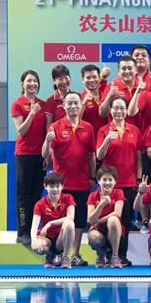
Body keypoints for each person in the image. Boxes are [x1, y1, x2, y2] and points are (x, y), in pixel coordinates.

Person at [42, 91, 96, 266]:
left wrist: (92, 177)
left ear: (81, 105)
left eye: (76, 103)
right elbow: (45, 154)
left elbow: (91, 155)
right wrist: (47, 141)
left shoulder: (88, 127)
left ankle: (75, 254)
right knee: (63, 221)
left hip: (82, 183)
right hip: (61, 186)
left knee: (79, 221)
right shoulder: (55, 127)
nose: (73, 106)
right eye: (69, 103)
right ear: (63, 106)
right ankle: (58, 254)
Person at [96, 96, 143, 265]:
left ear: (127, 110)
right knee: (110, 220)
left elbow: (139, 158)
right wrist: (107, 139)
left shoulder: (135, 130)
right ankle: (108, 252)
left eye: (122, 108)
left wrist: (138, 179)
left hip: (129, 183)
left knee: (125, 221)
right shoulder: (103, 131)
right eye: (115, 108)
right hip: (109, 186)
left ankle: (121, 255)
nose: (119, 111)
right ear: (110, 110)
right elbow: (99, 156)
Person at [11, 70, 46, 245]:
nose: (32, 84)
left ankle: (33, 231)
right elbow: (21, 131)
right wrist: (32, 113)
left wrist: (47, 155)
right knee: (23, 195)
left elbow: (46, 131)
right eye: (29, 81)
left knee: (36, 194)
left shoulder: (43, 104)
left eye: (35, 81)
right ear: (22, 84)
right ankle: (22, 232)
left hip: (40, 155)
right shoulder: (17, 104)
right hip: (24, 155)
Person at [30, 172, 75, 269]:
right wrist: (34, 240)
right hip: (47, 240)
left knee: (69, 223)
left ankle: (65, 257)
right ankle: (50, 256)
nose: (55, 189)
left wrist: (50, 223)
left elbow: (71, 217)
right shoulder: (39, 204)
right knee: (35, 246)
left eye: (57, 186)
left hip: (61, 239)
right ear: (45, 187)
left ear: (62, 186)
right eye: (51, 186)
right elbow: (34, 226)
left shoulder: (68, 198)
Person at [87, 166, 125, 268]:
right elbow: (90, 220)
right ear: (98, 181)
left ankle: (115, 256)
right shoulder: (92, 196)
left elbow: (117, 213)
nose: (107, 183)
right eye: (104, 179)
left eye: (110, 180)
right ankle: (100, 254)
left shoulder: (119, 193)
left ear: (115, 182)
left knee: (113, 219)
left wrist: (99, 221)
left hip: (114, 230)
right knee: (93, 237)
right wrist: (101, 204)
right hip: (98, 231)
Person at [99, 56, 144, 127]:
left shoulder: (142, 87)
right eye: (123, 68)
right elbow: (102, 114)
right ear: (118, 72)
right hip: (116, 132)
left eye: (130, 68)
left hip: (137, 132)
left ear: (136, 70)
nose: (127, 71)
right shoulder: (112, 87)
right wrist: (110, 95)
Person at [80, 64, 108, 137]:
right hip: (88, 139)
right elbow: (74, 121)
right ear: (83, 80)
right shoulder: (79, 98)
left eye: (94, 77)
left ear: (99, 78)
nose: (92, 80)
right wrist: (83, 104)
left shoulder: (105, 95)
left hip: (106, 138)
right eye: (88, 77)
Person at [44, 64, 71, 130]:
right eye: (60, 79)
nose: (64, 81)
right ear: (54, 81)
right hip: (57, 136)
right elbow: (49, 126)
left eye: (66, 78)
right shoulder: (50, 101)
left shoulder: (77, 97)